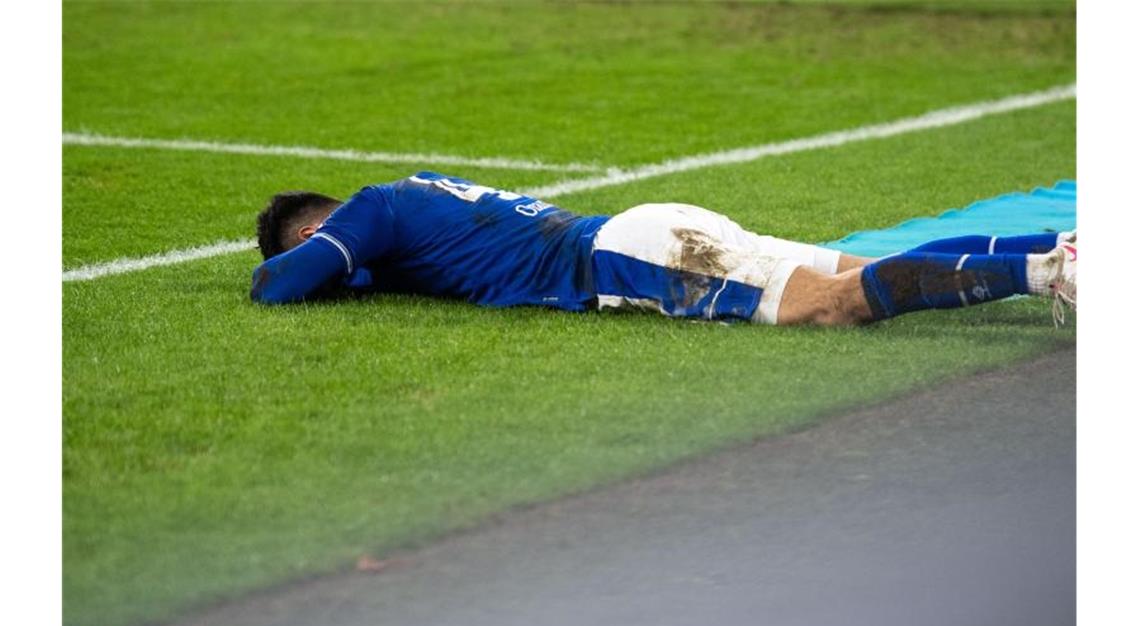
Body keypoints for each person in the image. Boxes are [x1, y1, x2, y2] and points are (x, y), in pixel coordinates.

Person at [251, 171, 1076, 326]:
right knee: (848, 266)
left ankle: (1047, 271)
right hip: (646, 225)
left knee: (828, 308)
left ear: (322, 227)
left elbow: (281, 285)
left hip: (619, 257)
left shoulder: (363, 214)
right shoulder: (420, 189)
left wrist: (316, 261)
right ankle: (1064, 244)